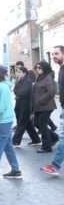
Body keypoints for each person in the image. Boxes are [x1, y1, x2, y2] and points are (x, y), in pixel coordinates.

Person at [42, 46, 64, 175]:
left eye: (56, 54)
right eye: (52, 55)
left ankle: (55, 166)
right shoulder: (61, 69)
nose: (53, 57)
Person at [32, 61, 59, 153]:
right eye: (36, 68)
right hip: (39, 106)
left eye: (39, 68)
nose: (37, 70)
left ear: (44, 68)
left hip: (46, 106)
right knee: (36, 123)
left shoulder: (48, 77)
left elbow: (52, 91)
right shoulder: (39, 77)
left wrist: (41, 100)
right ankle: (54, 137)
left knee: (42, 125)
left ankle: (46, 147)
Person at [12, 66, 40, 147]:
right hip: (19, 105)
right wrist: (18, 92)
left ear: (24, 73)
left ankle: (15, 142)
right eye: (17, 72)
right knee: (28, 124)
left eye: (19, 72)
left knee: (21, 123)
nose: (17, 73)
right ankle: (36, 140)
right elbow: (15, 90)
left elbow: (23, 92)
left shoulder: (28, 81)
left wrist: (18, 93)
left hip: (26, 106)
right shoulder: (19, 81)